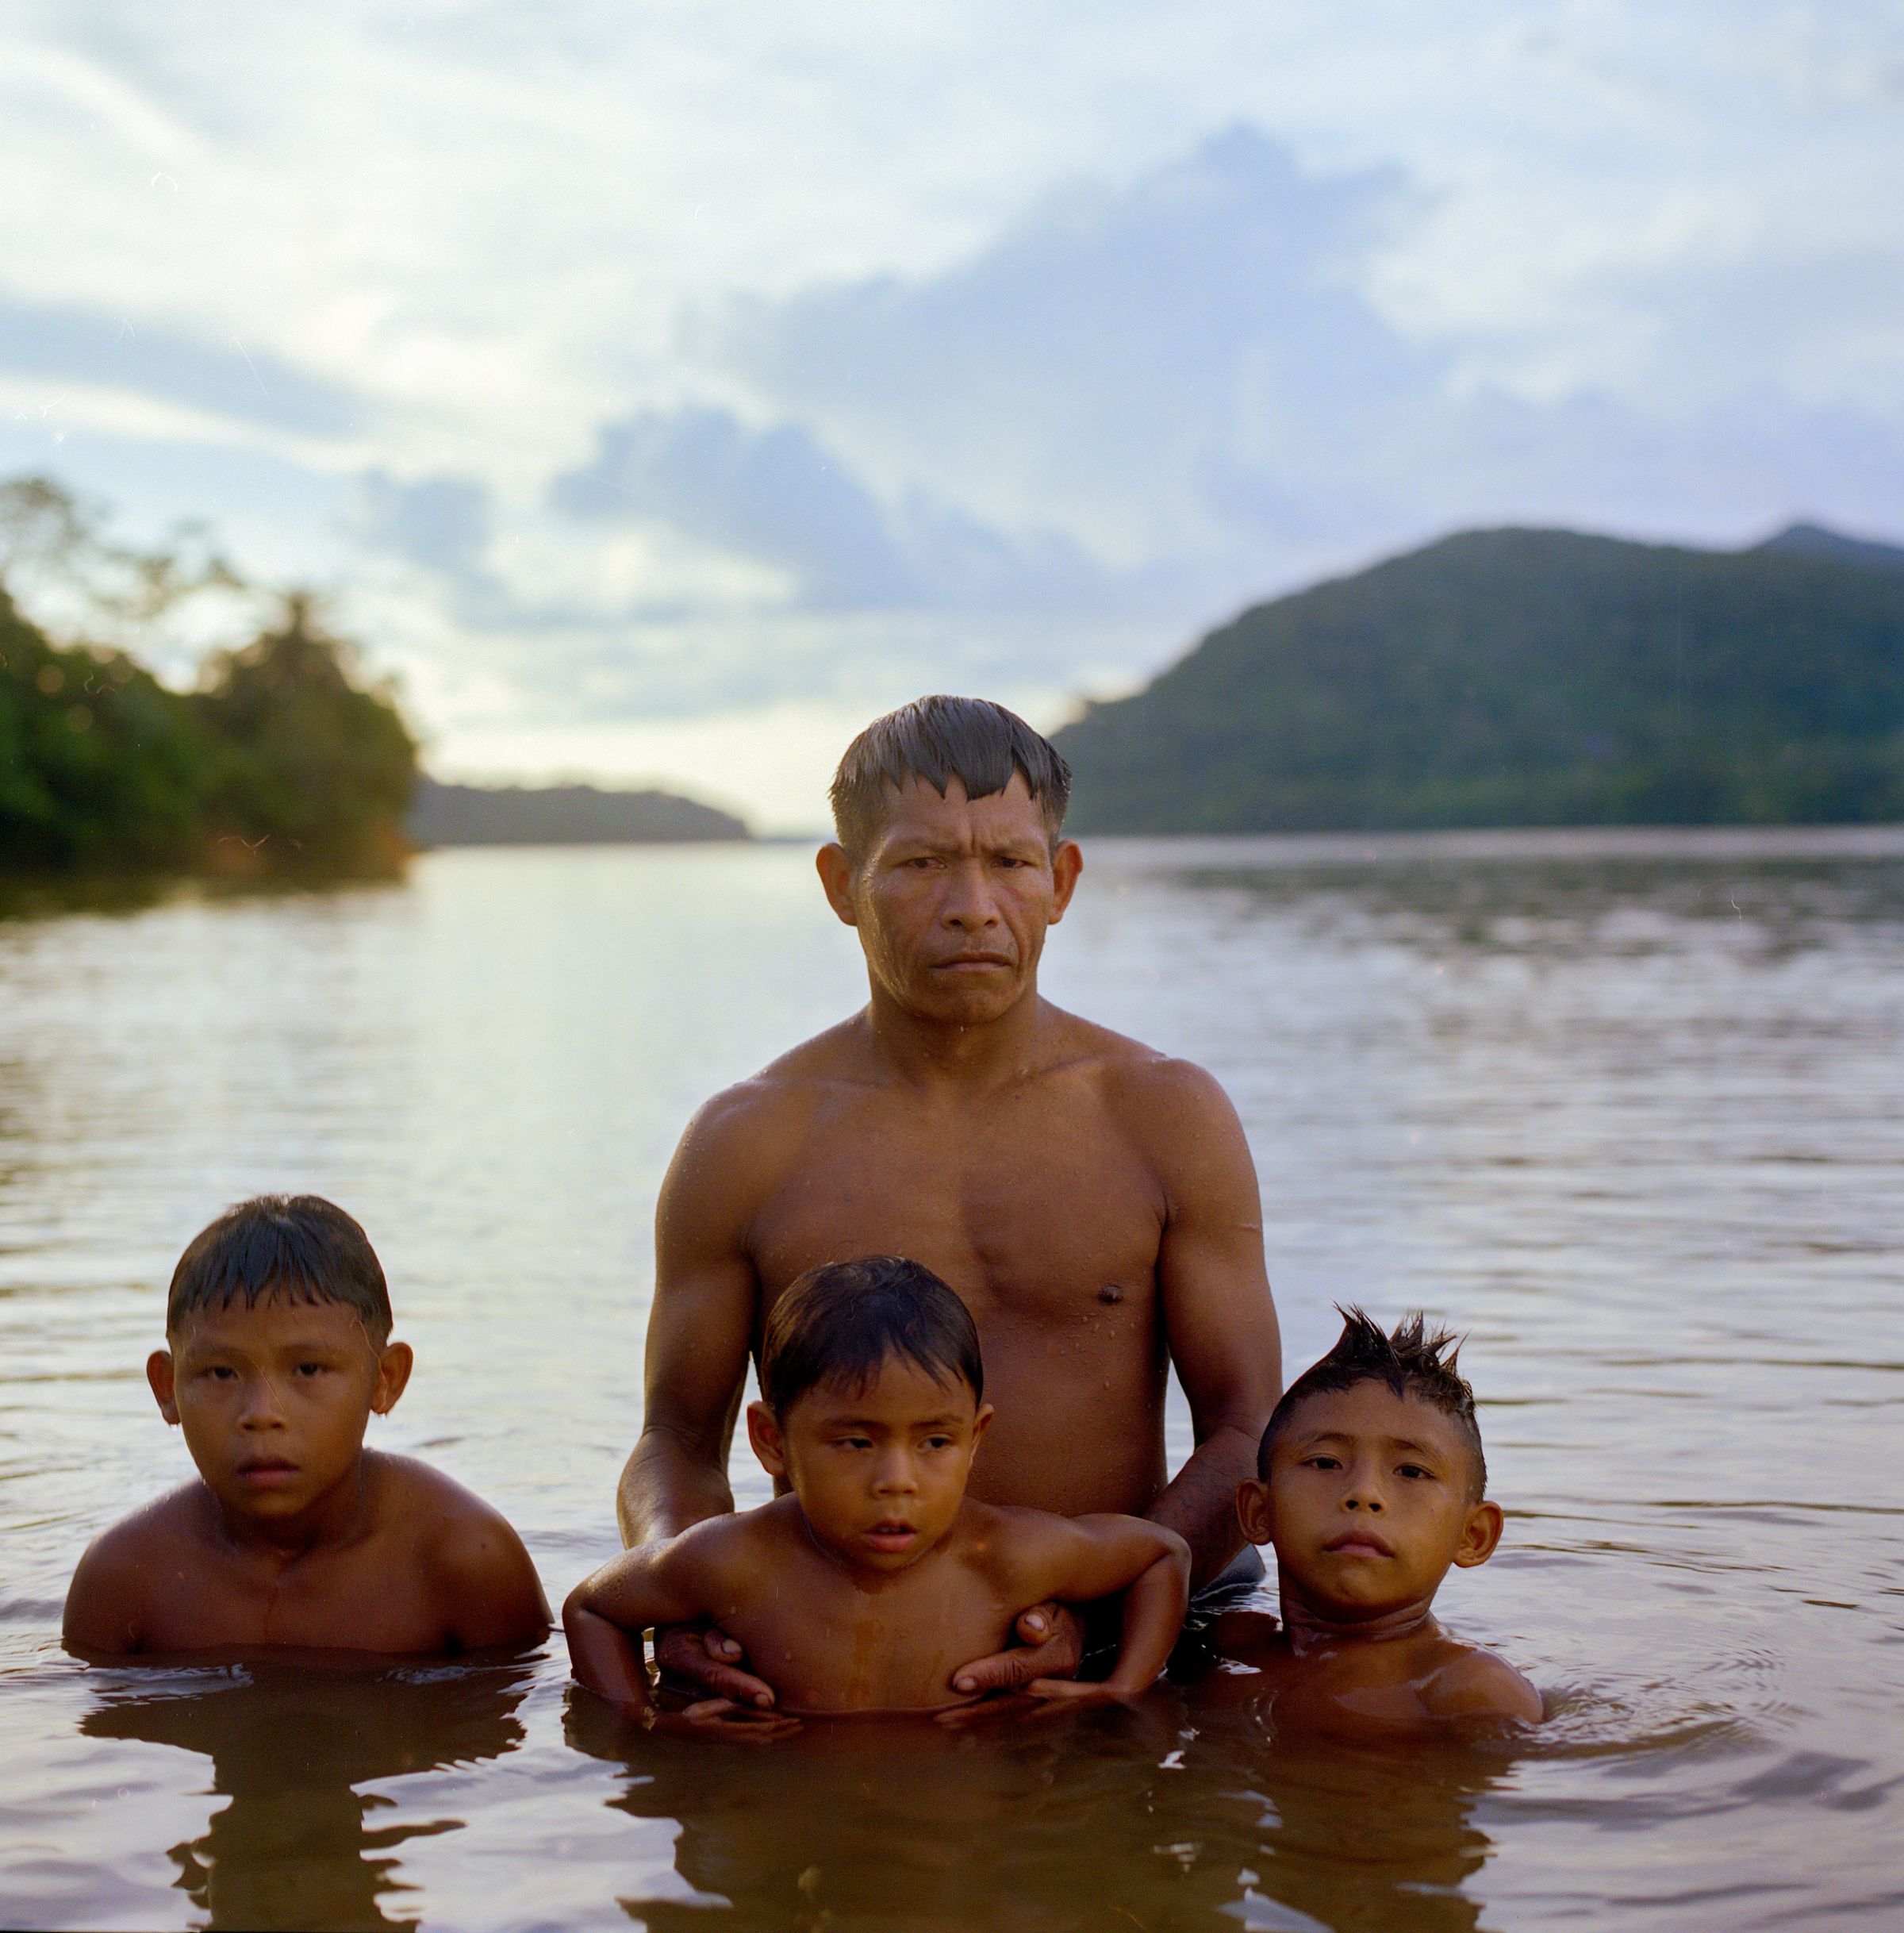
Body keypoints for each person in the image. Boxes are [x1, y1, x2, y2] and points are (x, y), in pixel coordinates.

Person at [618, 696, 1281, 1708]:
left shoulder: (1164, 1117)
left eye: (1009, 863)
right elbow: (675, 1439)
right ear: (844, 886)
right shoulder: (747, 1142)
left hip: (1140, 1615)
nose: (974, 905)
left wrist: (1100, 1618)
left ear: (1059, 883)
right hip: (843, 1627)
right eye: (923, 865)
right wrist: (686, 1598)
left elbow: (1245, 1430)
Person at [568, 1258, 1190, 1731]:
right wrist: (642, 1725)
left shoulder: (1006, 1554)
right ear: (772, 1441)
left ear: (976, 1438)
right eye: (857, 1443)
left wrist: (1124, 1689)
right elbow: (592, 1609)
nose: (898, 1479)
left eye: (935, 1443)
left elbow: (1161, 1555)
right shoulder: (737, 1560)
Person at [63, 1195, 550, 1658]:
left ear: (385, 1380)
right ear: (167, 1388)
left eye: (309, 1369)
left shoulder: (465, 1562)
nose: (261, 1413)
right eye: (221, 1373)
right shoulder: (125, 1580)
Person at [1207, 1308, 1543, 1732]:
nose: (1364, 1493)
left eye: (1411, 1471)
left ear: (1473, 1536)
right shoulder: (1229, 1647)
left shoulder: (1470, 1692)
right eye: (1326, 1462)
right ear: (1258, 1512)